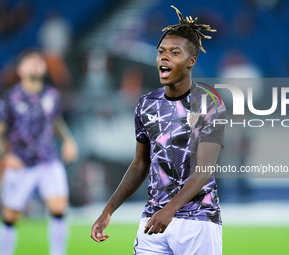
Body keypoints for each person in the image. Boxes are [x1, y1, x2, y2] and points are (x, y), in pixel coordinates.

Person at [91, 6, 226, 255]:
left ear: (191, 61)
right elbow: (140, 165)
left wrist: (171, 209)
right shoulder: (146, 104)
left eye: (174, 53)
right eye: (161, 52)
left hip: (198, 222)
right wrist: (108, 210)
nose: (164, 57)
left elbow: (204, 169)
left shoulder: (208, 103)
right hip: (153, 221)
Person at [0, 49, 78, 255]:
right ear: (20, 69)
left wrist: (68, 141)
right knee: (9, 216)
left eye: (38, 61)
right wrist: (6, 156)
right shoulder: (10, 97)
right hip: (21, 162)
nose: (35, 64)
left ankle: (57, 253)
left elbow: (56, 121)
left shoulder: (51, 94)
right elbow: (1, 130)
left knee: (59, 208)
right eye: (30, 61)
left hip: (48, 159)